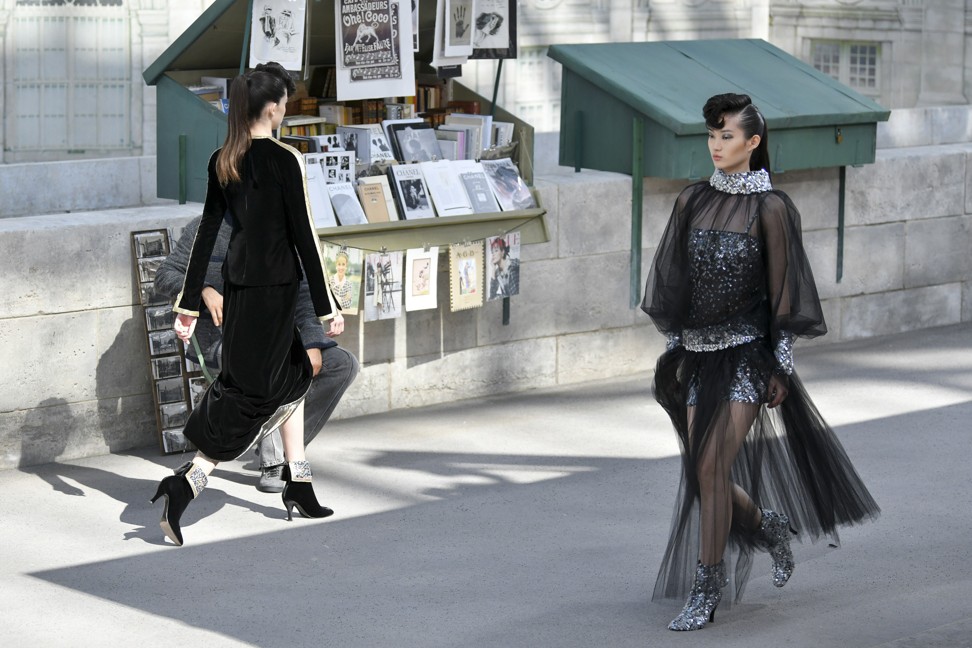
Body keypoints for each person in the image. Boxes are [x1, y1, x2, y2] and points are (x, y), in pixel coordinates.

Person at [642, 93, 880, 630]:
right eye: (711, 135)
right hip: (699, 354)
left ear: (753, 143)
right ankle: (769, 524)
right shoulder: (692, 200)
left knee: (710, 467)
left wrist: (781, 365)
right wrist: (680, 345)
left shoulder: (771, 208)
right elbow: (675, 280)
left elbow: (785, 296)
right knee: (706, 473)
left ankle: (708, 586)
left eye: (727, 136)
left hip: (748, 355)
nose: (716, 146)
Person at [150, 63, 342, 546]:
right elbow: (305, 239)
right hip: (275, 294)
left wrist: (189, 306)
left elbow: (207, 237)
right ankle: (187, 482)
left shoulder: (223, 158)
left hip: (238, 292)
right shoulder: (285, 159)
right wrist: (327, 307)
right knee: (253, 397)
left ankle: (299, 482)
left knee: (292, 374)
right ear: (274, 108)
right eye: (284, 104)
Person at [154, 215, 359, 494]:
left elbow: (303, 292)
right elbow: (165, 275)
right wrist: (203, 290)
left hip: (277, 337)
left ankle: (275, 448)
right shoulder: (205, 227)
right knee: (276, 366)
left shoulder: (281, 228)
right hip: (221, 339)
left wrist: (312, 343)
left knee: (341, 364)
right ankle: (275, 462)